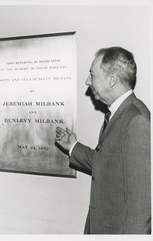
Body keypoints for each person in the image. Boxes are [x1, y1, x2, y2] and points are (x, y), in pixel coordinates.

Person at [55, 47, 151, 234]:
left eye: (92, 74)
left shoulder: (137, 120)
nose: (87, 81)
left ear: (112, 79)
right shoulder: (119, 114)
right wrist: (73, 146)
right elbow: (109, 165)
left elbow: (141, 204)